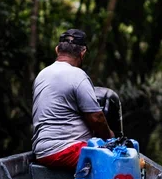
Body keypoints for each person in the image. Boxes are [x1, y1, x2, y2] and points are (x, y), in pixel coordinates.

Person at [32, 29, 114, 169]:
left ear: (57, 50)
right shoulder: (77, 75)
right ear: (82, 53)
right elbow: (97, 119)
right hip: (65, 151)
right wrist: (111, 139)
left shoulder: (42, 74)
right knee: (117, 161)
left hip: (41, 150)